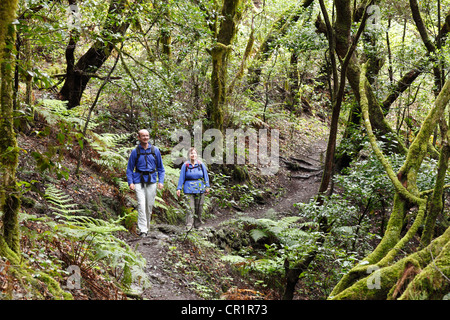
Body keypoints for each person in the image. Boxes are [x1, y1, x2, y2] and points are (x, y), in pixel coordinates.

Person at [126, 129, 165, 237]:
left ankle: (146, 227)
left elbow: (161, 168)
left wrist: (160, 181)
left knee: (149, 206)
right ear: (138, 137)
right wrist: (131, 182)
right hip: (138, 180)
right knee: (141, 204)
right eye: (143, 136)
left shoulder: (155, 150)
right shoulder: (135, 152)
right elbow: (129, 169)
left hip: (152, 180)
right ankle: (143, 230)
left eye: (147, 136)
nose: (145, 138)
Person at [176, 147, 210, 230]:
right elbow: (181, 177)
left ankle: (198, 225)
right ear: (189, 155)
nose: (193, 155)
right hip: (188, 188)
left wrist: (207, 186)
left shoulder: (201, 164)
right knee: (190, 208)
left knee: (199, 207)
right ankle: (189, 225)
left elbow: (206, 176)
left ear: (197, 155)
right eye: (191, 153)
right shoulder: (185, 165)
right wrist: (179, 188)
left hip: (200, 188)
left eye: (194, 153)